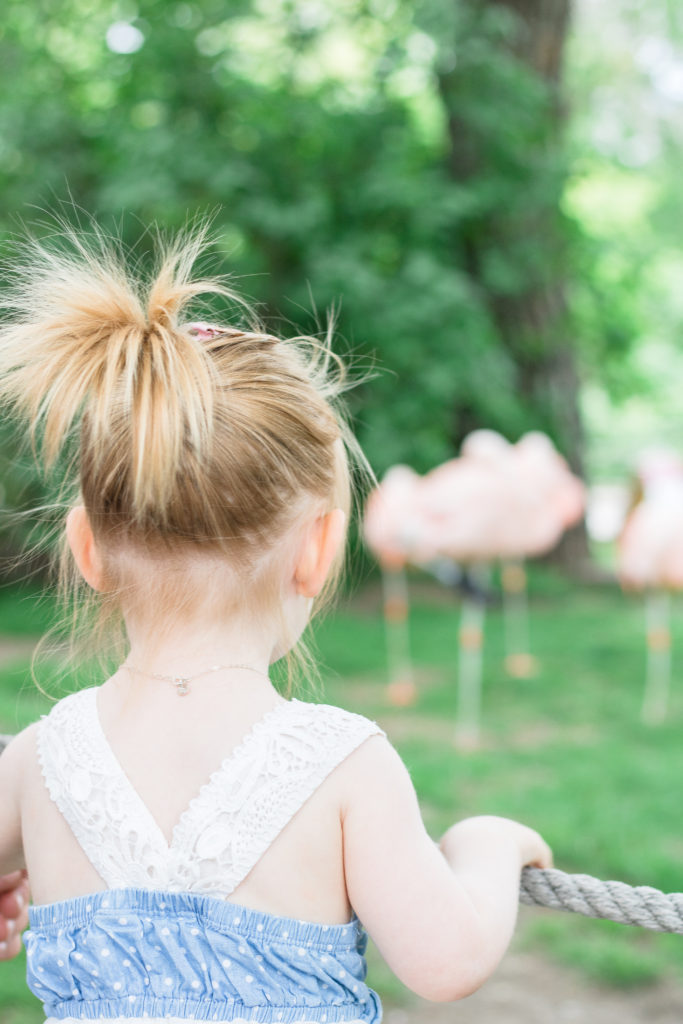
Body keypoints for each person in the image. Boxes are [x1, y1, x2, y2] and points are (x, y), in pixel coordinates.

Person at [0, 225, 551, 1024]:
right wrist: (488, 842)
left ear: (86, 549)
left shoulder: (40, 760)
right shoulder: (342, 765)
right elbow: (447, 960)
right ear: (319, 550)